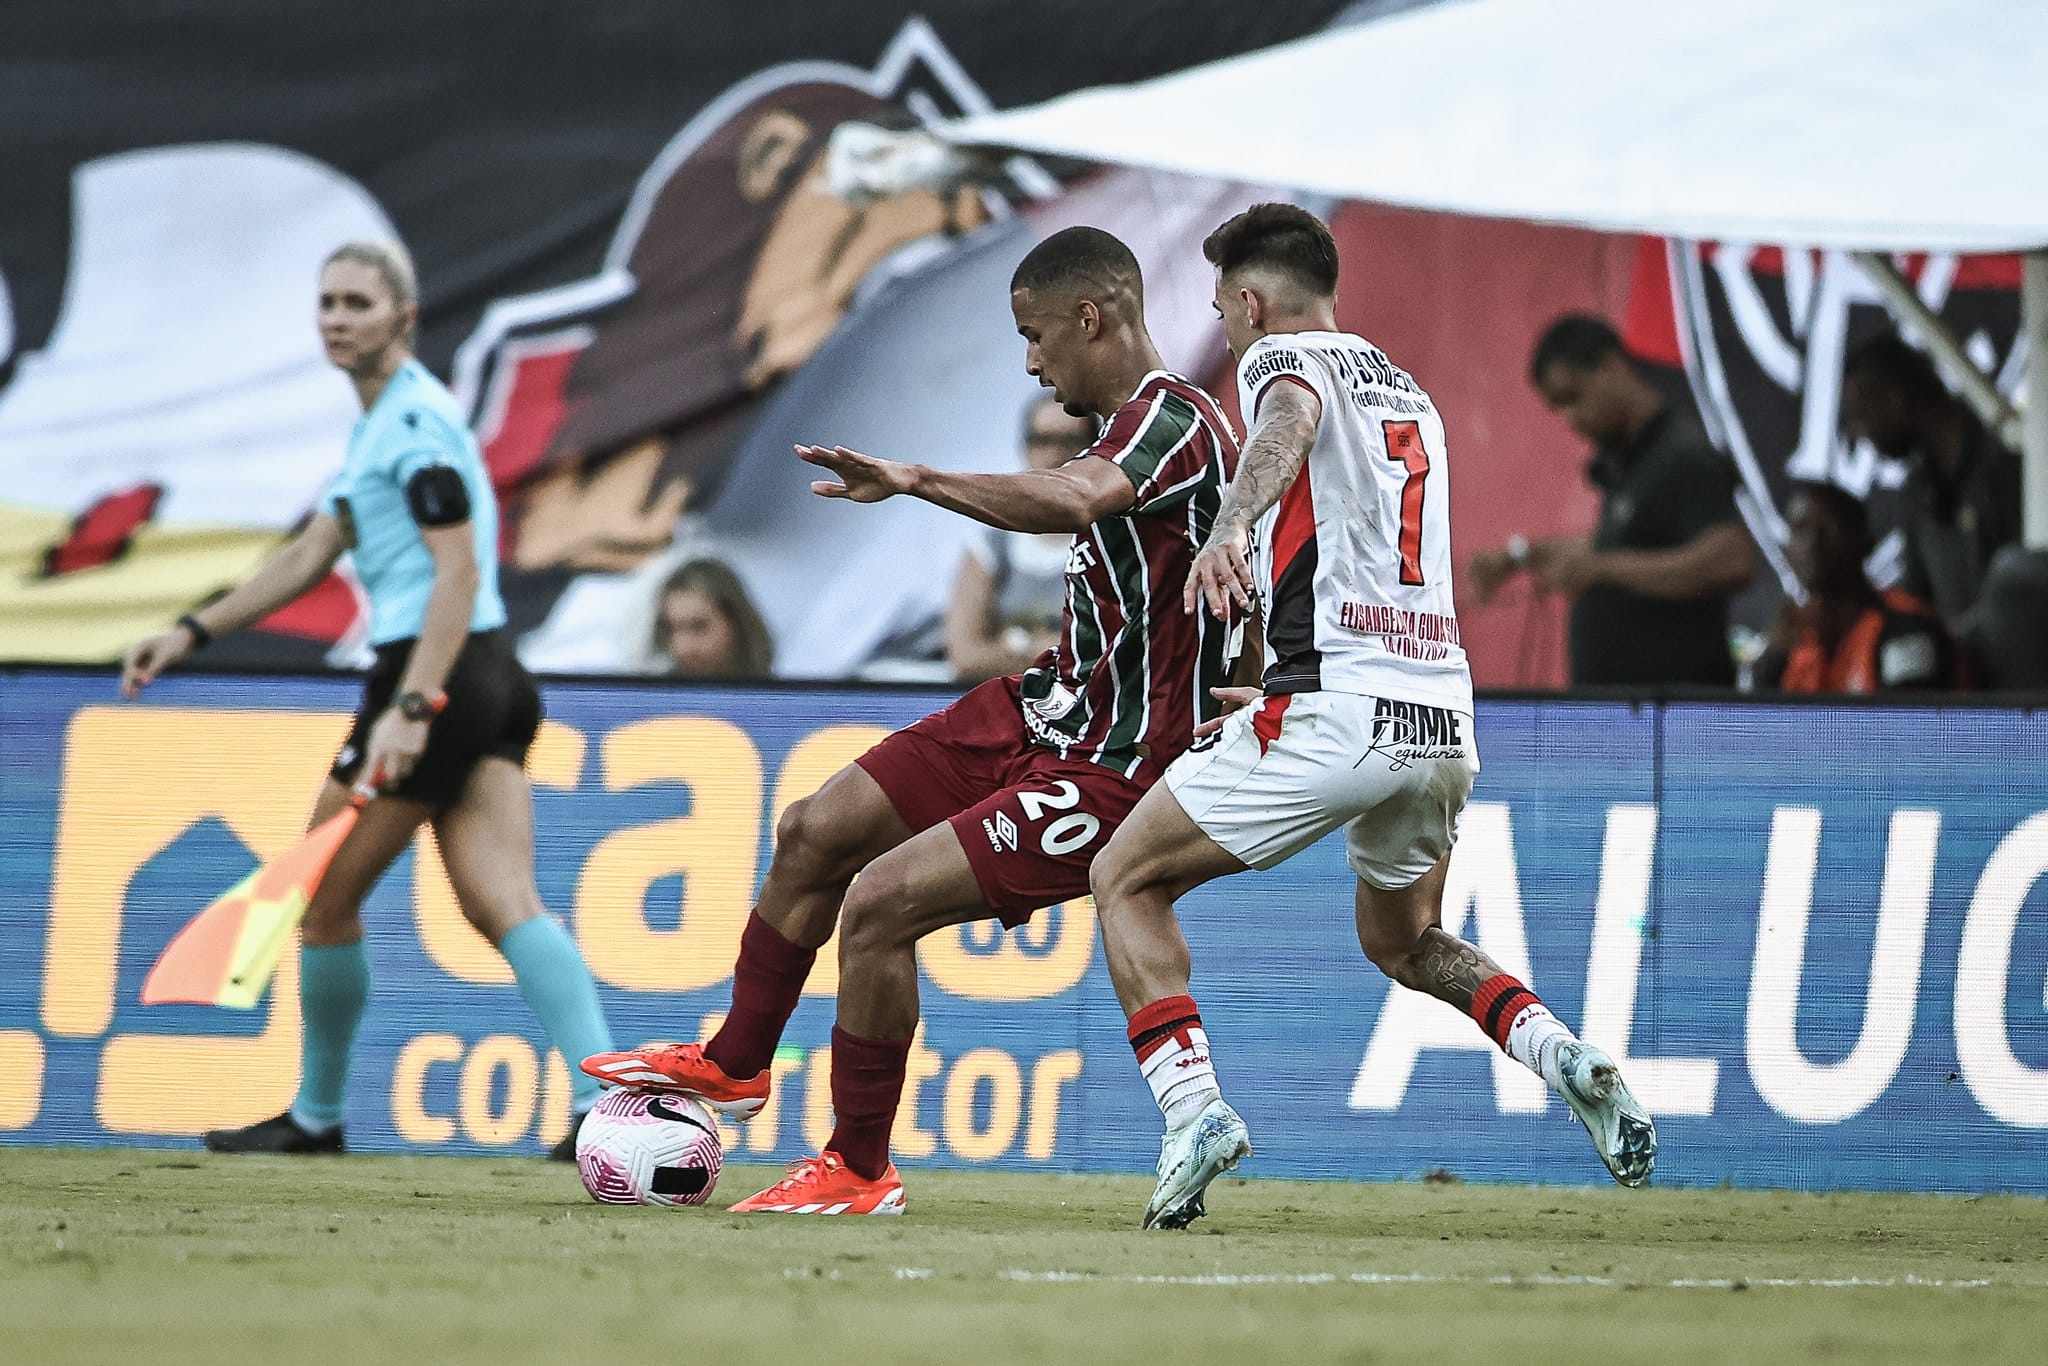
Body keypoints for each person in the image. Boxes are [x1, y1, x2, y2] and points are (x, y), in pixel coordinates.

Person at [581, 226, 1241, 1215]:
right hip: (1041, 710)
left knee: (881, 902)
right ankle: (734, 1061)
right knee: (814, 828)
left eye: (1034, 335)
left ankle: (856, 1166)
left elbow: (1072, 500)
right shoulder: (1122, 431)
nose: (1027, 359)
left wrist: (917, 479)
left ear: (1089, 317)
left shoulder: (1174, 418)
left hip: (1121, 764)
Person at [1085, 205, 1656, 1230]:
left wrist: (1227, 524)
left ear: (1251, 303)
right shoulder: (1410, 391)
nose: (1228, 328)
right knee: (1403, 939)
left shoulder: (1279, 360)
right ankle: (1556, 1050)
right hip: (1436, 716)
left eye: (1224, 308)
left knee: (1122, 875)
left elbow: (1285, 422)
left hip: (1336, 710)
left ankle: (1190, 1110)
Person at [120, 241, 615, 1159]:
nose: (338, 317)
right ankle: (605, 1106)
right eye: (328, 302)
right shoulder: (384, 424)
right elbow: (309, 555)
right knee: (503, 901)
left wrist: (413, 704)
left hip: (440, 676)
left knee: (323, 899)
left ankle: (315, 1116)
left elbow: (457, 573)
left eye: (357, 301)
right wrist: (190, 632)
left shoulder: (417, 425)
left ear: (403, 316)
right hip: (490, 676)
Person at [1468, 315, 1752, 686]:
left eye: (1573, 398)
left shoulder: (1682, 457)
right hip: (1628, 716)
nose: (1570, 419)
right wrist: (1520, 557)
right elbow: (1620, 544)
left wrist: (1600, 570)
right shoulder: (1632, 460)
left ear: (1609, 365)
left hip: (1673, 716)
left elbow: (1732, 560)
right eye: (1559, 409)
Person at [1839, 332, 2022, 629]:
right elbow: (1916, 605)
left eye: (1861, 416)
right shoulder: (1916, 494)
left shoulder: (2008, 459)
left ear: (1894, 399)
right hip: (1962, 671)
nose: (1862, 436)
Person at [945, 396, 1099, 682]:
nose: (1054, 456)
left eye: (1069, 441)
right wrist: (1055, 648)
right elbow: (965, 657)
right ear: (1025, 448)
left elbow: (1109, 652)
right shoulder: (990, 547)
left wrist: (1011, 648)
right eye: (1042, 440)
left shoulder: (1111, 541)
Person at [1756, 482, 1958, 694]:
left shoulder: (1907, 627)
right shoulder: (1791, 642)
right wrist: (1772, 658)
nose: (1814, 541)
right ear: (1786, 550)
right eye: (1800, 528)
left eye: (1829, 526)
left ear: (1865, 541)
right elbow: (1756, 721)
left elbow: (1908, 723)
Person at [653, 557, 774, 678]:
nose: (683, 648)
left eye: (699, 626)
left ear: (736, 623)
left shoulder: (774, 694)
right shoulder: (655, 694)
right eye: (672, 629)